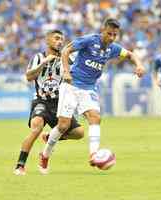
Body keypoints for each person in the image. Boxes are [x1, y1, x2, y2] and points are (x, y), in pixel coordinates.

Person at [38, 18, 146, 174]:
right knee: (63, 125)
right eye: (109, 34)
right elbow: (65, 51)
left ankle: (93, 154)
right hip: (71, 86)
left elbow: (130, 55)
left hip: (89, 89)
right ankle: (45, 154)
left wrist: (139, 65)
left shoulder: (113, 48)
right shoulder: (89, 40)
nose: (111, 38)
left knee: (95, 117)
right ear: (103, 30)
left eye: (114, 35)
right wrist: (67, 72)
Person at [14, 29, 84, 175]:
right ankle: (20, 165)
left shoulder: (67, 58)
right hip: (42, 101)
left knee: (79, 133)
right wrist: (44, 63)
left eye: (61, 39)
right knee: (36, 128)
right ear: (47, 41)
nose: (60, 41)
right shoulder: (38, 57)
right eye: (56, 38)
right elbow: (28, 77)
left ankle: (49, 137)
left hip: (60, 102)